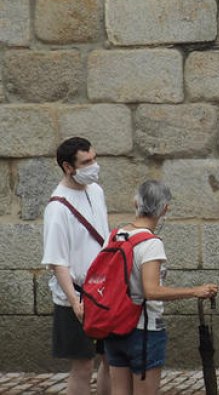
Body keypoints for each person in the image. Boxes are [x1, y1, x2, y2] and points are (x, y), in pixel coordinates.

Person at [105, 180, 219, 395]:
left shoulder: (114, 236)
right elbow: (152, 291)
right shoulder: (151, 244)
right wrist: (194, 291)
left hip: (114, 327)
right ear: (165, 209)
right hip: (144, 330)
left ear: (135, 203)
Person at [41, 136, 112, 395]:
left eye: (94, 158)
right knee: (83, 364)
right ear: (68, 167)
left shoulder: (96, 191)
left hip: (104, 292)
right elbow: (57, 261)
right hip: (76, 296)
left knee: (111, 360)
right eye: (86, 162)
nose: (94, 166)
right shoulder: (57, 208)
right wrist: (74, 301)